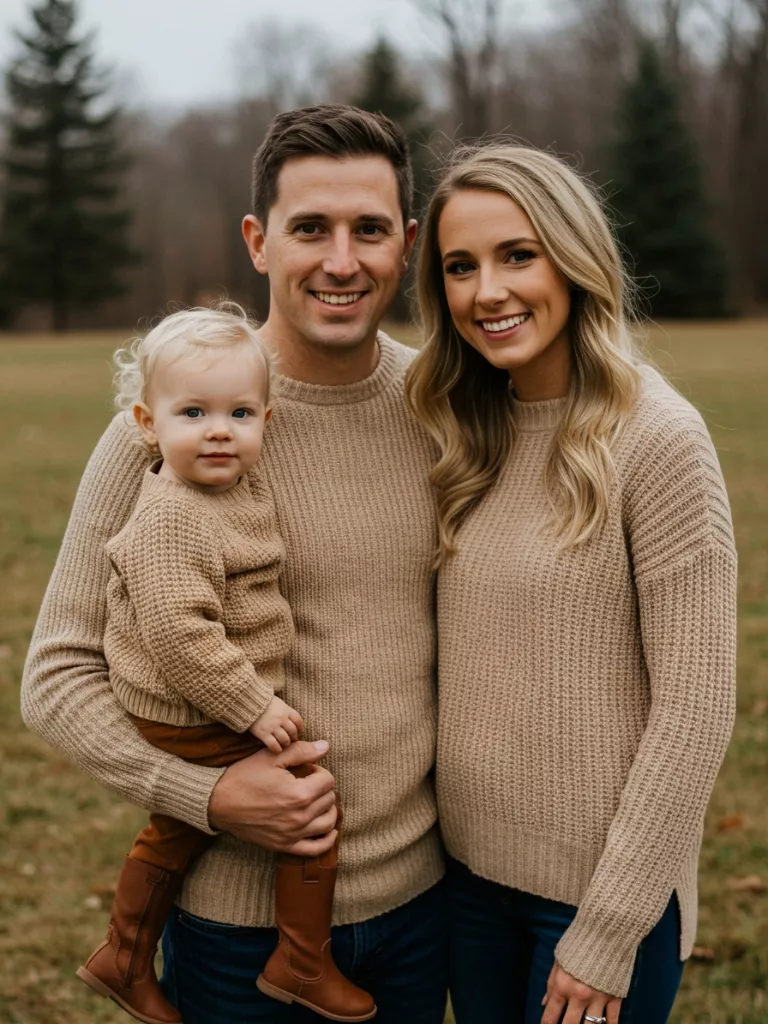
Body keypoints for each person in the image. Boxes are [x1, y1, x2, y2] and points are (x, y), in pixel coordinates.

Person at [21, 106, 447, 1024]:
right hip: (232, 933)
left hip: (422, 910)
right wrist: (206, 795)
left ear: (407, 245)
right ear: (258, 241)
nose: (342, 261)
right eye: (310, 229)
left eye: (370, 230)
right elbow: (55, 677)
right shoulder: (170, 428)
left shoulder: (445, 408)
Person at [406, 144, 737, 1024]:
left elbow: (696, 709)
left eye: (518, 255)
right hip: (469, 888)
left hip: (595, 905)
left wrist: (608, 929)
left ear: (574, 257)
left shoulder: (659, 438)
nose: (488, 292)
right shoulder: (466, 433)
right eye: (460, 267)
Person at [75, 303, 375, 1024]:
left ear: (266, 421)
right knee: (308, 805)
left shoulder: (238, 488)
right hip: (188, 708)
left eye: (240, 414)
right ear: (148, 425)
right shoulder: (172, 515)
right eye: (193, 413)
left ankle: (123, 956)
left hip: (196, 701)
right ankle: (301, 960)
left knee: (173, 833)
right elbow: (182, 637)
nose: (219, 430)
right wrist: (255, 707)